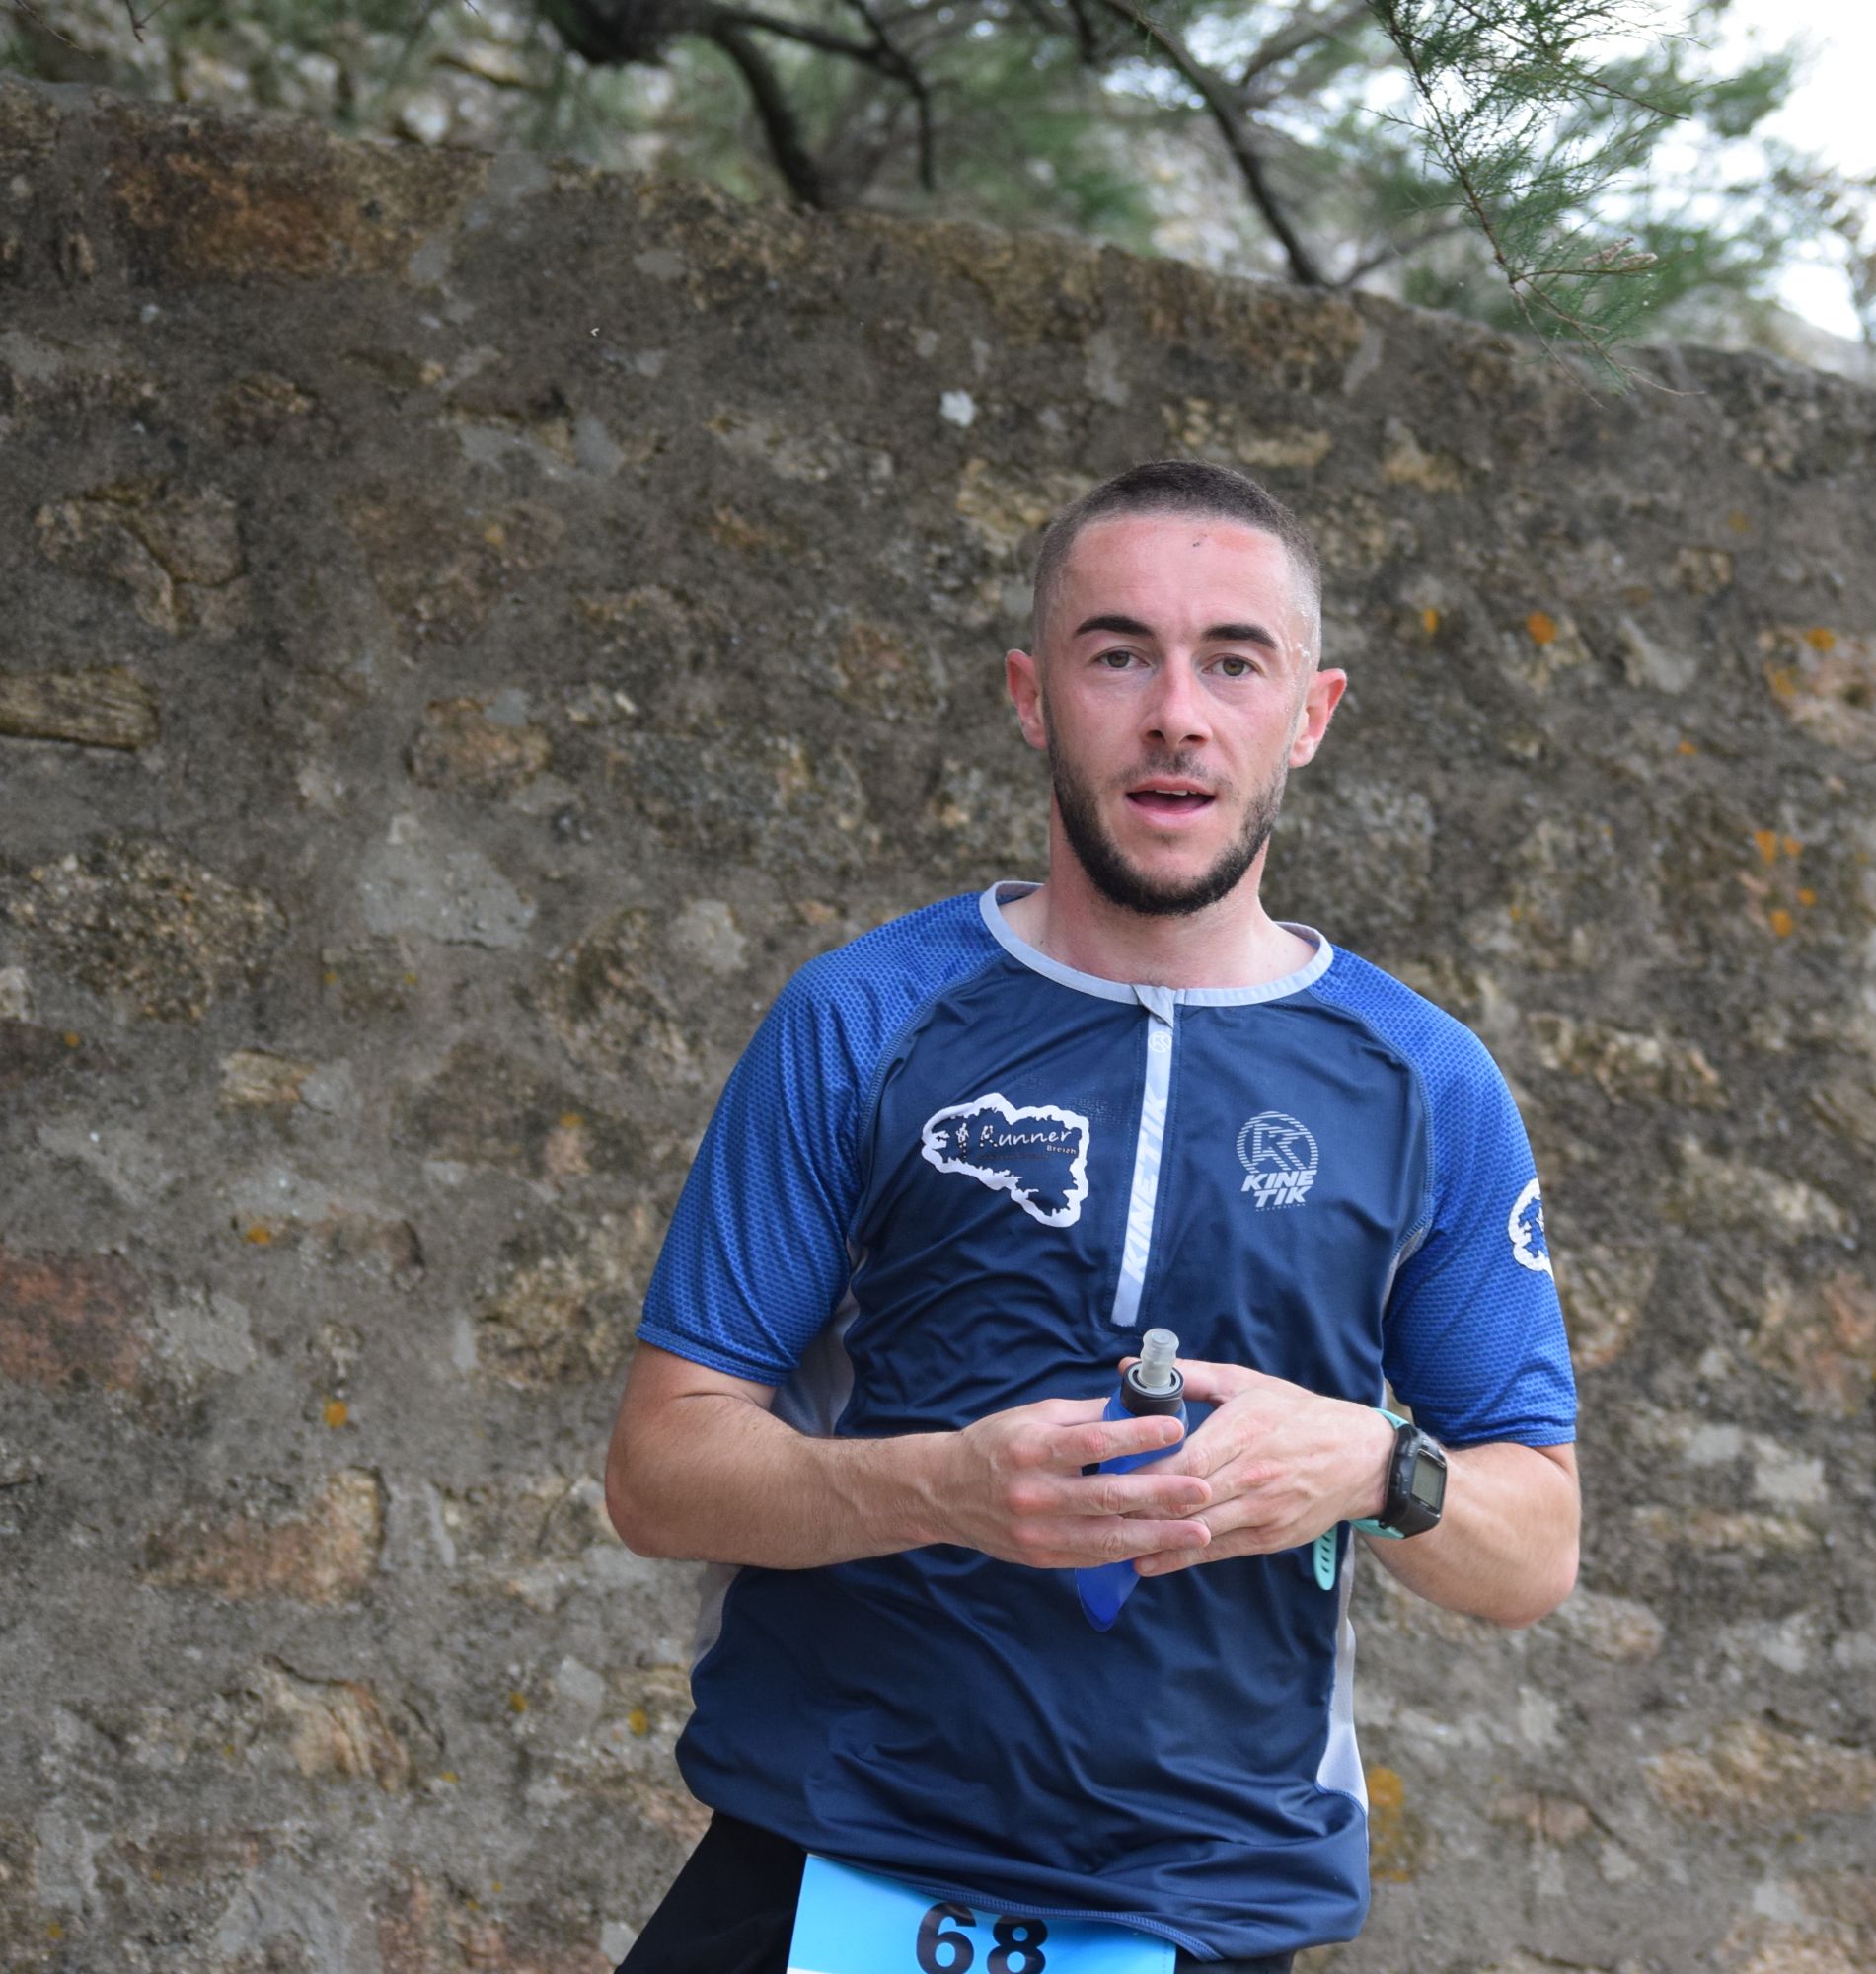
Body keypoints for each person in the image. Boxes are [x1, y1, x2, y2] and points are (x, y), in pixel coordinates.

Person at [602, 457, 1583, 1971]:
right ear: (1030, 695)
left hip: (1203, 1910)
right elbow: (660, 1472)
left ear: (1310, 713)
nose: (1176, 713)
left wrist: (1374, 1464)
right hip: (820, 1871)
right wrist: (943, 1490)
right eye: (1119, 654)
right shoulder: (862, 1018)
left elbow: (1533, 1552)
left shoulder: (1427, 1084)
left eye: (1233, 662)